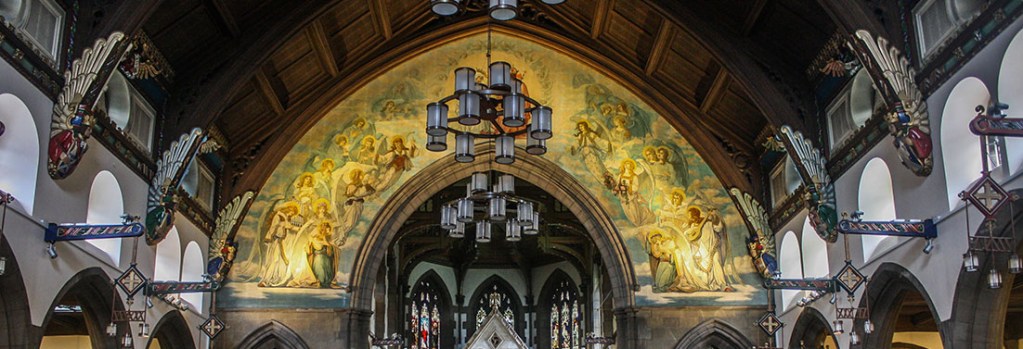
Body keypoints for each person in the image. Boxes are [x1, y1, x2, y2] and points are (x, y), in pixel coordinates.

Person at [258, 202, 301, 287]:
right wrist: (269, 236)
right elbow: (274, 227)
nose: (292, 214)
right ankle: (267, 279)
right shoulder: (279, 216)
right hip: (276, 241)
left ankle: (277, 278)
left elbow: (289, 227)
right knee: (274, 260)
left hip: (281, 241)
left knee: (279, 261)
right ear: (288, 209)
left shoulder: (285, 218)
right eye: (292, 212)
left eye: (293, 213)